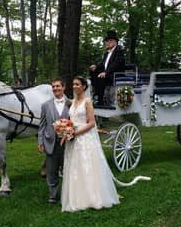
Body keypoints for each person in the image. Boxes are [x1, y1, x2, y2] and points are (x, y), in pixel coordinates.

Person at [61, 76, 150, 212]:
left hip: (84, 138)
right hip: (73, 140)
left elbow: (91, 123)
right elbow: (72, 120)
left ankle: (93, 197)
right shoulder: (73, 103)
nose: (74, 86)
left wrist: (75, 133)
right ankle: (78, 197)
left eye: (77, 84)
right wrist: (65, 128)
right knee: (75, 167)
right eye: (73, 84)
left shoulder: (87, 102)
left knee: (88, 166)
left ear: (84, 86)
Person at [38, 78, 71, 204]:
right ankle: (53, 195)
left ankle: (68, 194)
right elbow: (42, 125)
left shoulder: (71, 104)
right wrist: (40, 142)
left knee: (67, 169)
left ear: (63, 87)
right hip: (50, 142)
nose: (55, 89)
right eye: (53, 87)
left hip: (67, 143)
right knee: (51, 171)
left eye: (58, 86)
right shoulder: (45, 105)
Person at [89, 30, 125, 105]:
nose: (108, 42)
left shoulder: (119, 50)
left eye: (110, 40)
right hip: (107, 73)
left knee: (101, 77)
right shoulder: (107, 53)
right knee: (94, 72)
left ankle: (100, 100)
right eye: (107, 41)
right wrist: (95, 67)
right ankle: (96, 95)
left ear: (115, 42)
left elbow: (116, 64)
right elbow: (102, 64)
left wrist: (105, 72)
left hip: (115, 73)